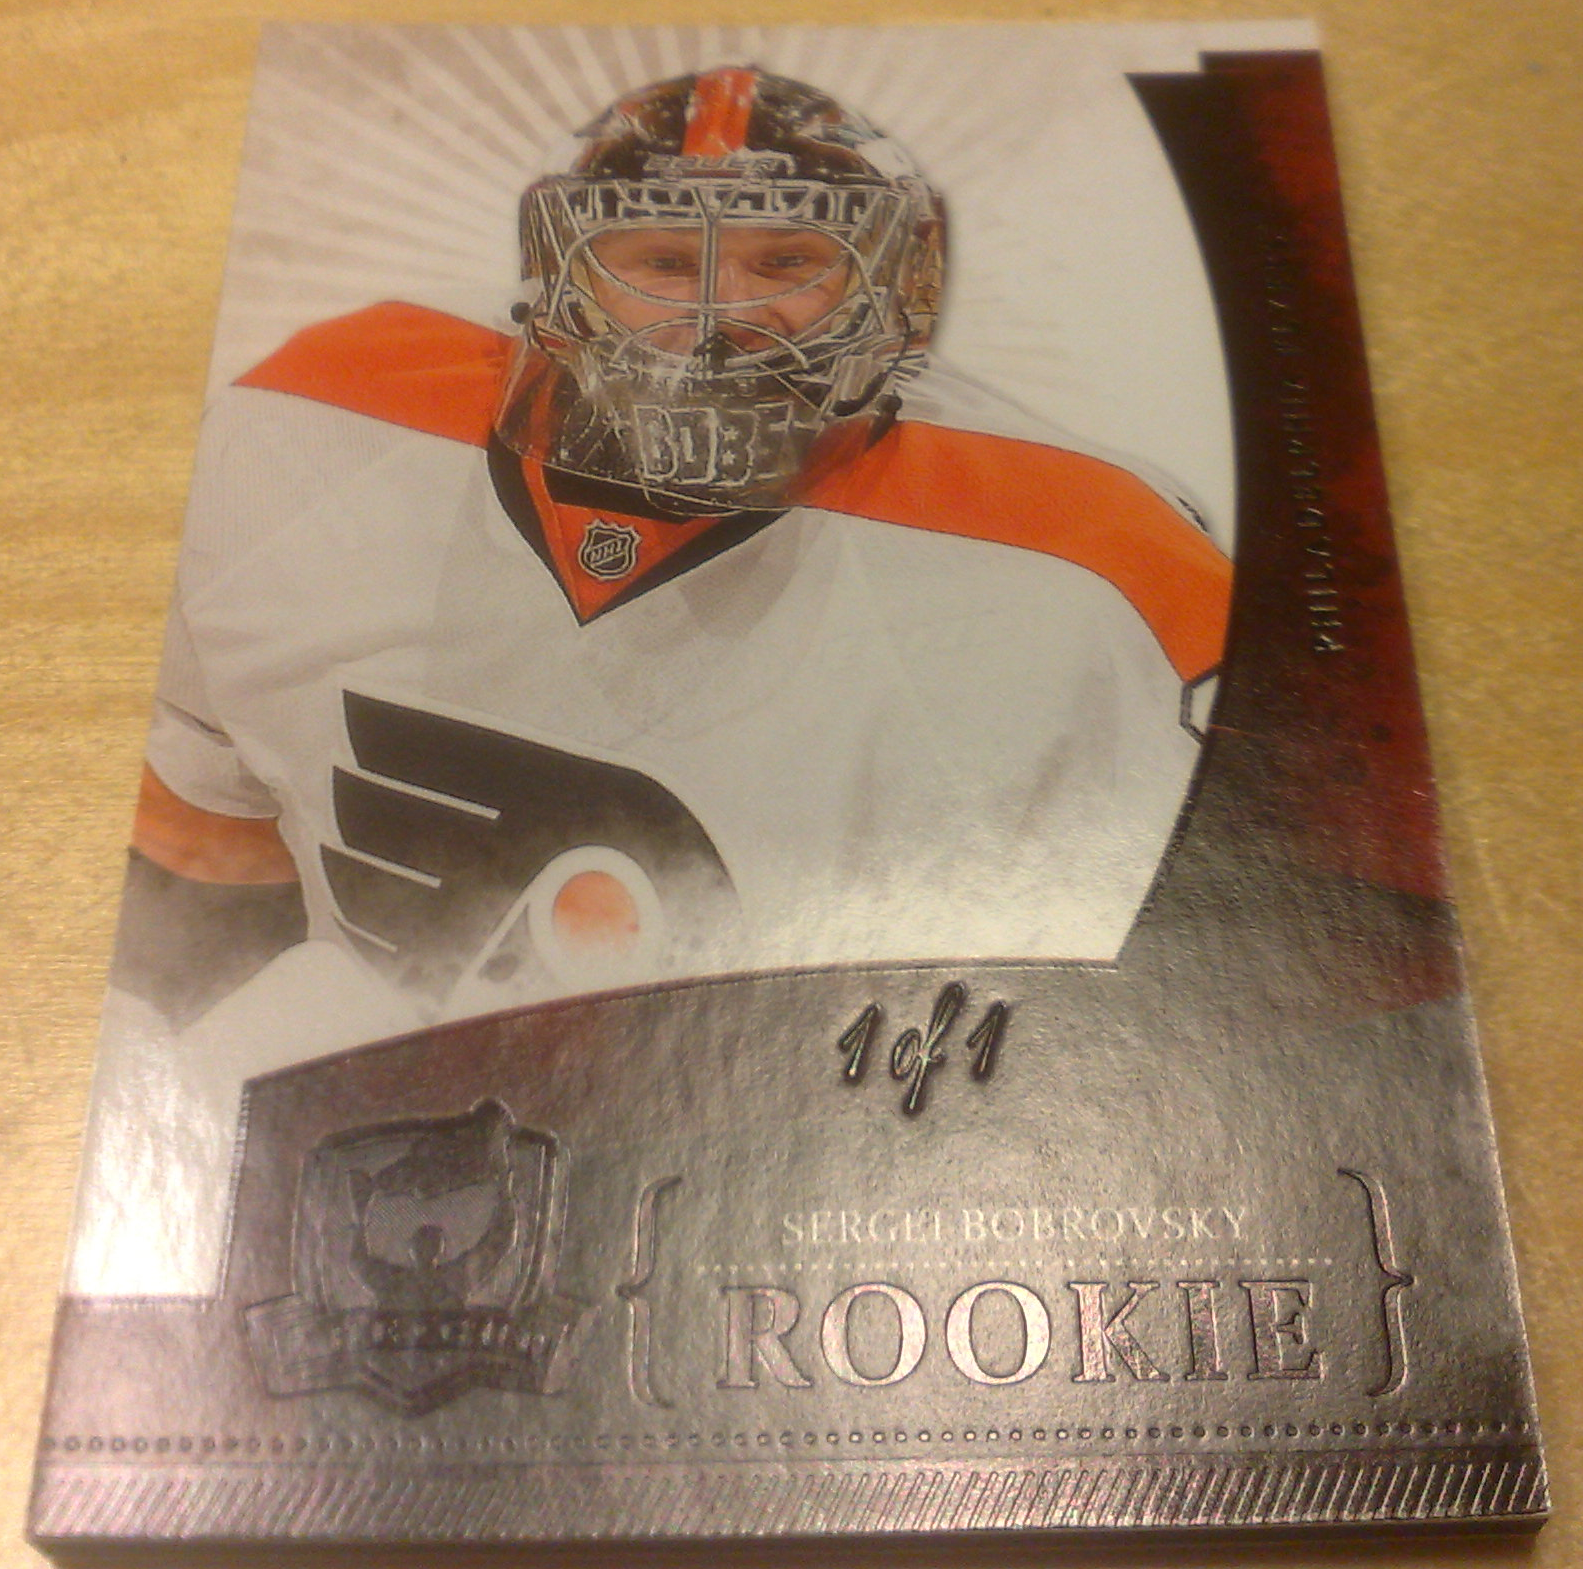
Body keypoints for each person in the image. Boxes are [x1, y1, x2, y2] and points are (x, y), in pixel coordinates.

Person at [118, 65, 1232, 1039]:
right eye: (657, 257)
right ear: (559, 270)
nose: (712, 320)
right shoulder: (311, 419)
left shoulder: (1101, 561)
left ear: (899, 283)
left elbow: (1200, 978)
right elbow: (200, 851)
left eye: (786, 260)